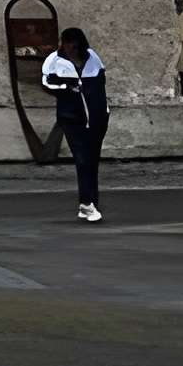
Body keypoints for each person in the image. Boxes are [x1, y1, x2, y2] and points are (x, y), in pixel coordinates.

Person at [42, 26, 109, 221]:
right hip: (71, 118)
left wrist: (103, 110)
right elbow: (47, 83)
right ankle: (87, 203)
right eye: (67, 42)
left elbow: (101, 83)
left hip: (97, 117)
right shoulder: (55, 61)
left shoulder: (92, 58)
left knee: (92, 160)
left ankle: (90, 202)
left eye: (74, 43)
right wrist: (66, 86)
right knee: (82, 158)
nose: (70, 47)